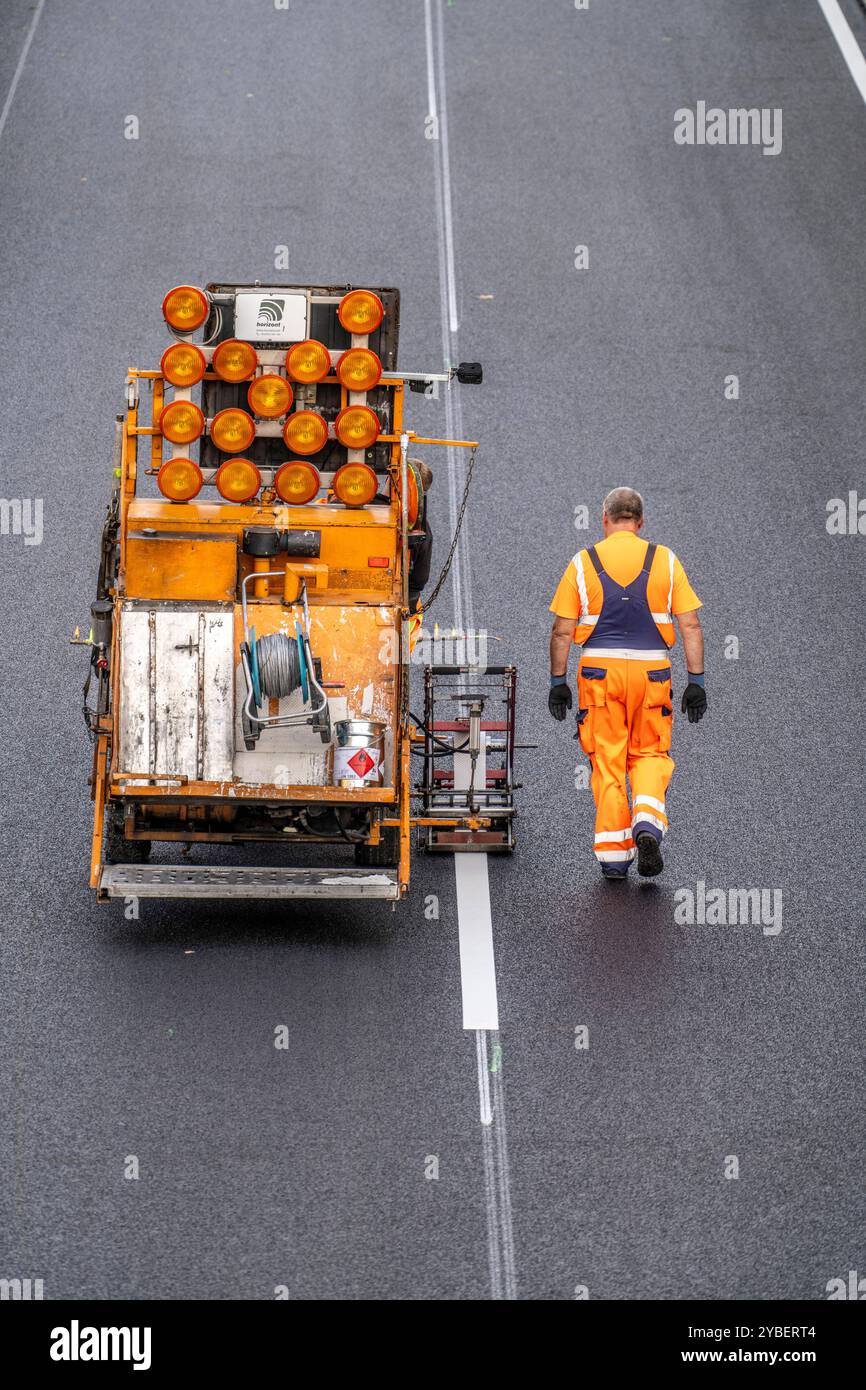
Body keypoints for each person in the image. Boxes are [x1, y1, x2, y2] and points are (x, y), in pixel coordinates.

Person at [548, 487, 706, 880]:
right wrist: (696, 681)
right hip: (653, 673)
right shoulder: (666, 561)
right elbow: (690, 624)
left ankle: (615, 859)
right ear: (641, 522)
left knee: (608, 763)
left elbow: (562, 631)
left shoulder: (583, 563)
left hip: (600, 675)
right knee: (650, 754)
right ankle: (647, 826)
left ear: (604, 519)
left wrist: (558, 681)